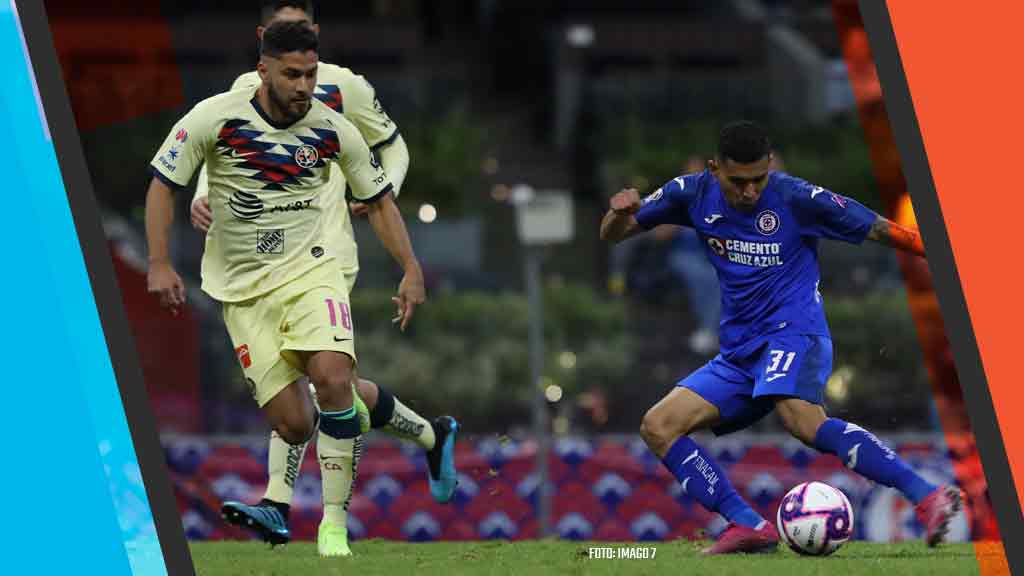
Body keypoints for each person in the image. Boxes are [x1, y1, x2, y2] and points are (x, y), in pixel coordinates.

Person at [145, 20, 444, 558]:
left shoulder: (332, 127)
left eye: (309, 74)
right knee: (295, 421)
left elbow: (378, 200)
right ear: (263, 70)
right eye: (291, 75)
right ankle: (426, 433)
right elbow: (163, 185)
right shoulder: (215, 117)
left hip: (313, 271)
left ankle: (332, 526)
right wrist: (160, 262)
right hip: (240, 292)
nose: (303, 86)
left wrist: (411, 266)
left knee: (332, 378)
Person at [599, 121, 961, 554]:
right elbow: (613, 235)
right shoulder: (689, 193)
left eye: (758, 179)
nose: (750, 192)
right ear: (715, 169)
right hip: (739, 352)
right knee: (659, 425)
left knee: (802, 421)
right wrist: (618, 213)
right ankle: (748, 524)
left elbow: (880, 228)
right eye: (739, 182)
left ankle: (927, 495)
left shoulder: (796, 197)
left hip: (794, 332)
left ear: (769, 168)